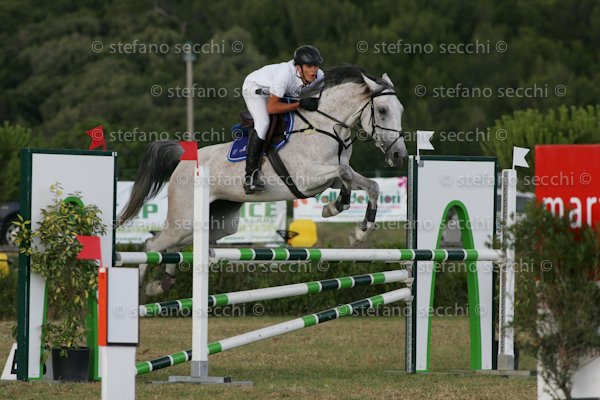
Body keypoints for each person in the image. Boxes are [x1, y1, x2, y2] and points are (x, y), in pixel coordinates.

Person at [241, 45, 324, 194]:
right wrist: (299, 104)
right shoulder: (285, 75)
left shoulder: (319, 76)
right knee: (263, 123)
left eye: (316, 66)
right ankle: (250, 176)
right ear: (298, 68)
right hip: (255, 89)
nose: (314, 70)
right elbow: (272, 108)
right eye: (309, 66)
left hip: (279, 92)